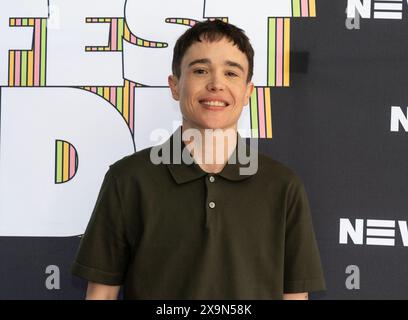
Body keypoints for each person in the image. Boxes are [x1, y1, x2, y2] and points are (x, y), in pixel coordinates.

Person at [71, 19, 326, 300]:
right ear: (175, 86)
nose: (216, 84)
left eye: (231, 73)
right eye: (201, 70)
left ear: (247, 93)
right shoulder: (128, 179)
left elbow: (295, 296)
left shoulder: (282, 185)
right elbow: (102, 295)